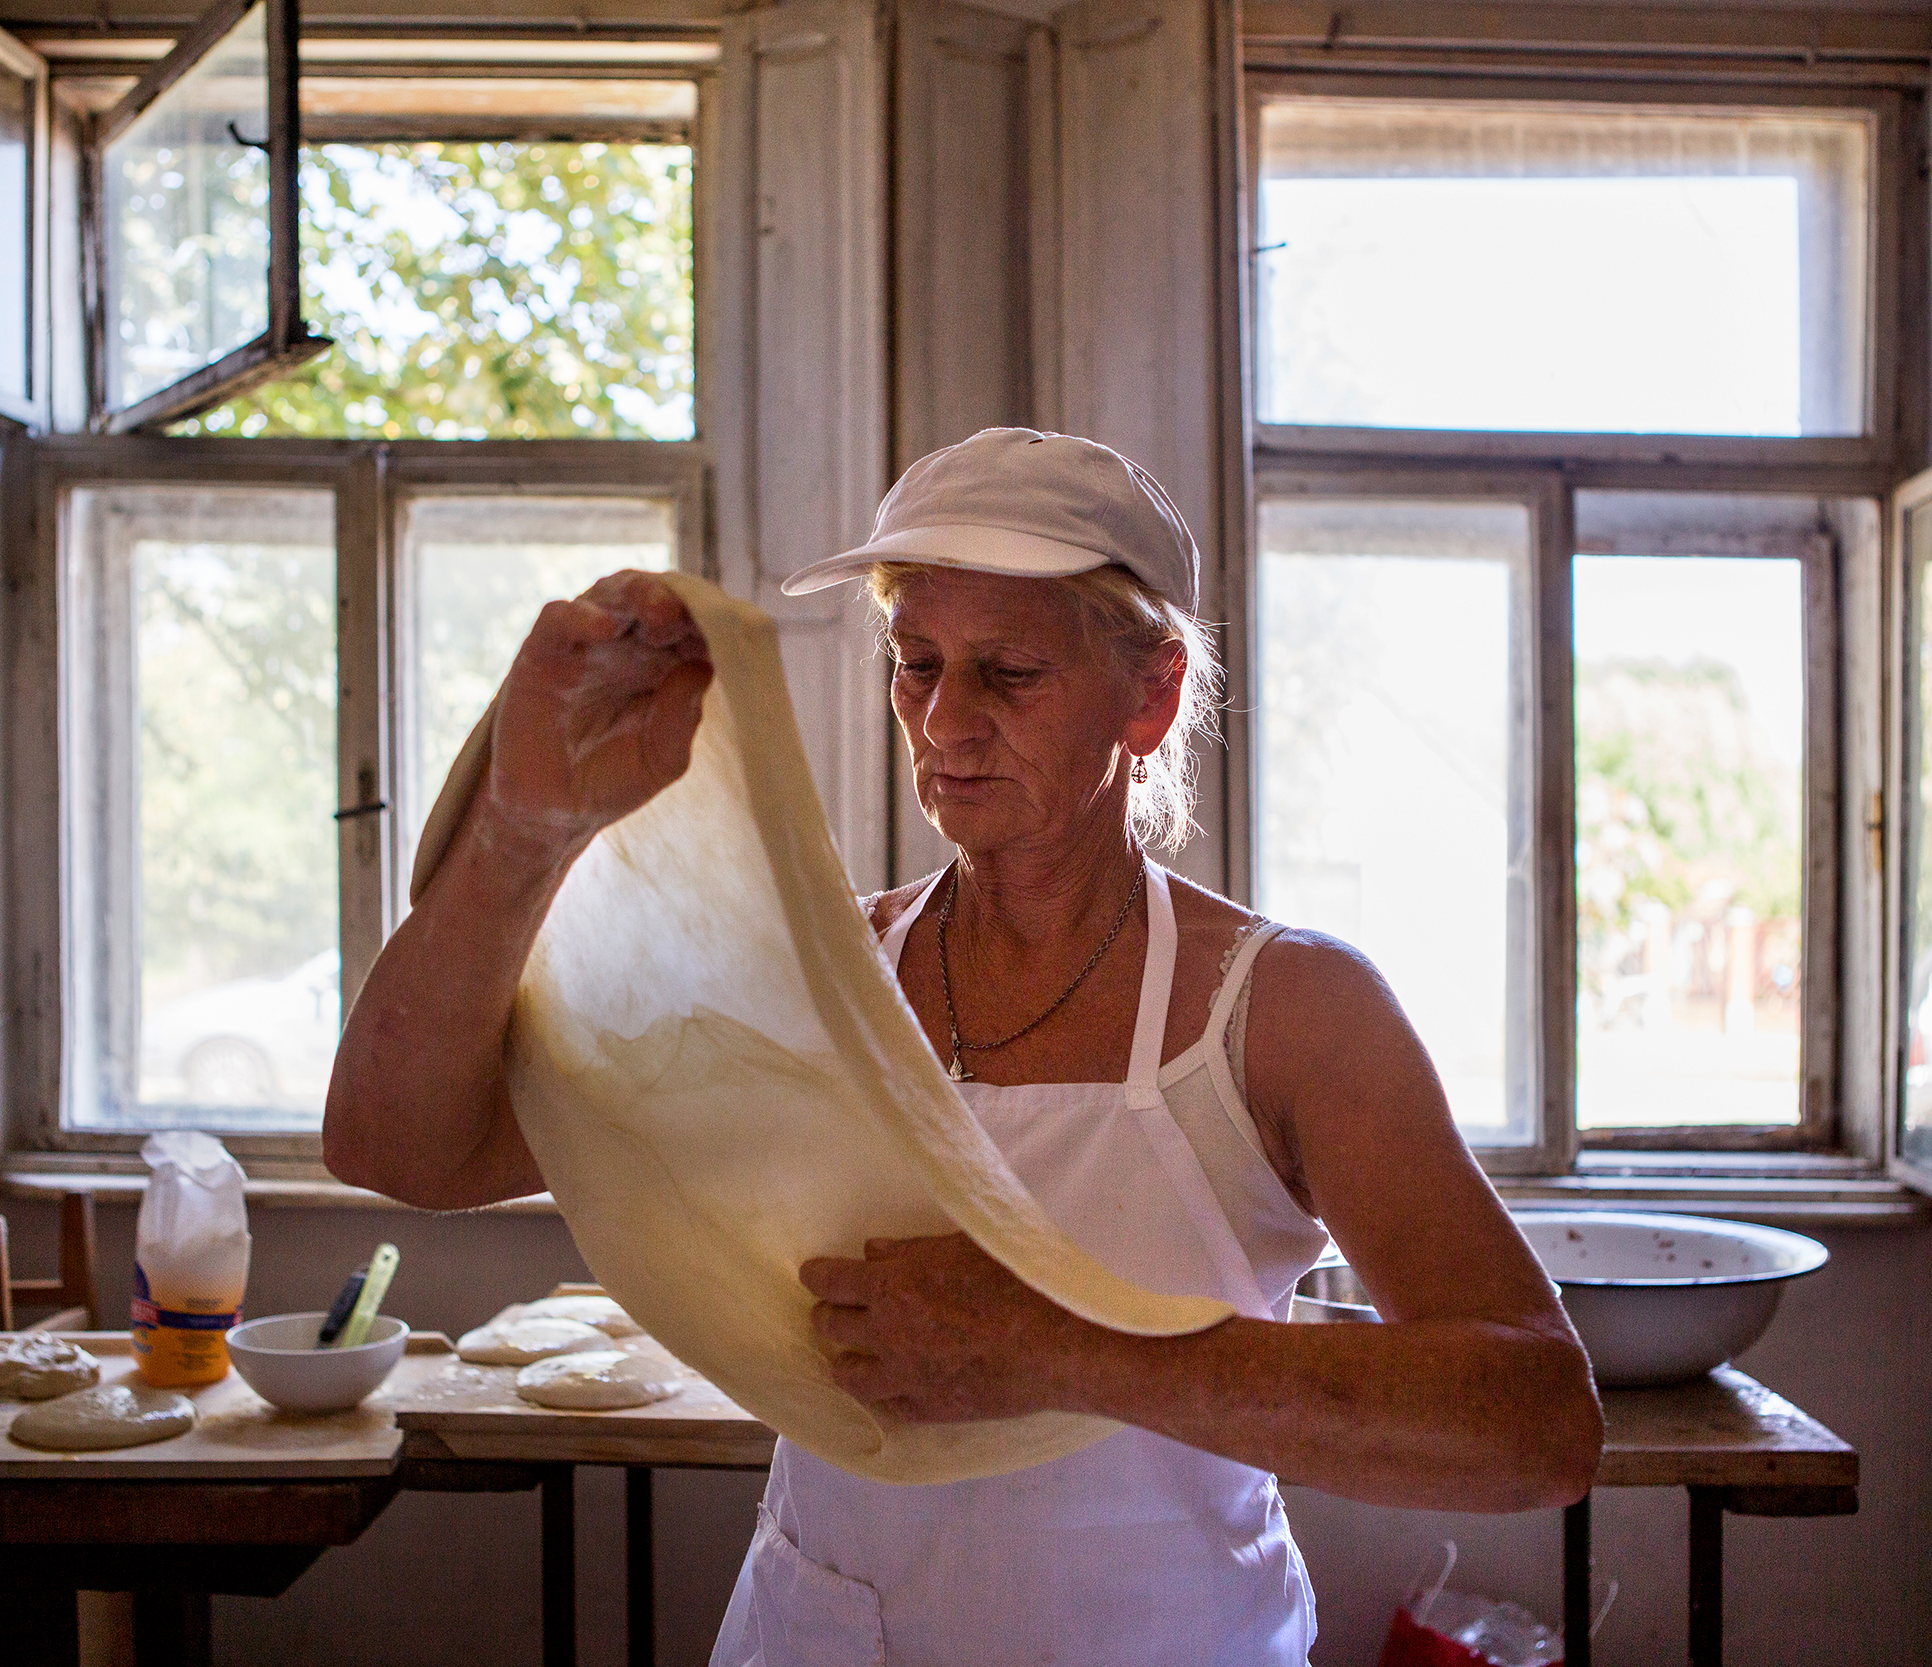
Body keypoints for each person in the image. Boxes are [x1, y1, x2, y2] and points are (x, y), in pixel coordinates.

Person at [326, 427, 1602, 1666]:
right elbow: (403, 1147)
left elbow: (1533, 1425)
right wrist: (523, 829)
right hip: (821, 1633)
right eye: (915, 662)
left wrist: (1061, 1347)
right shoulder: (824, 978)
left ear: (1149, 696)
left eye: (1009, 673)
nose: (944, 723)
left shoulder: (1284, 1011)